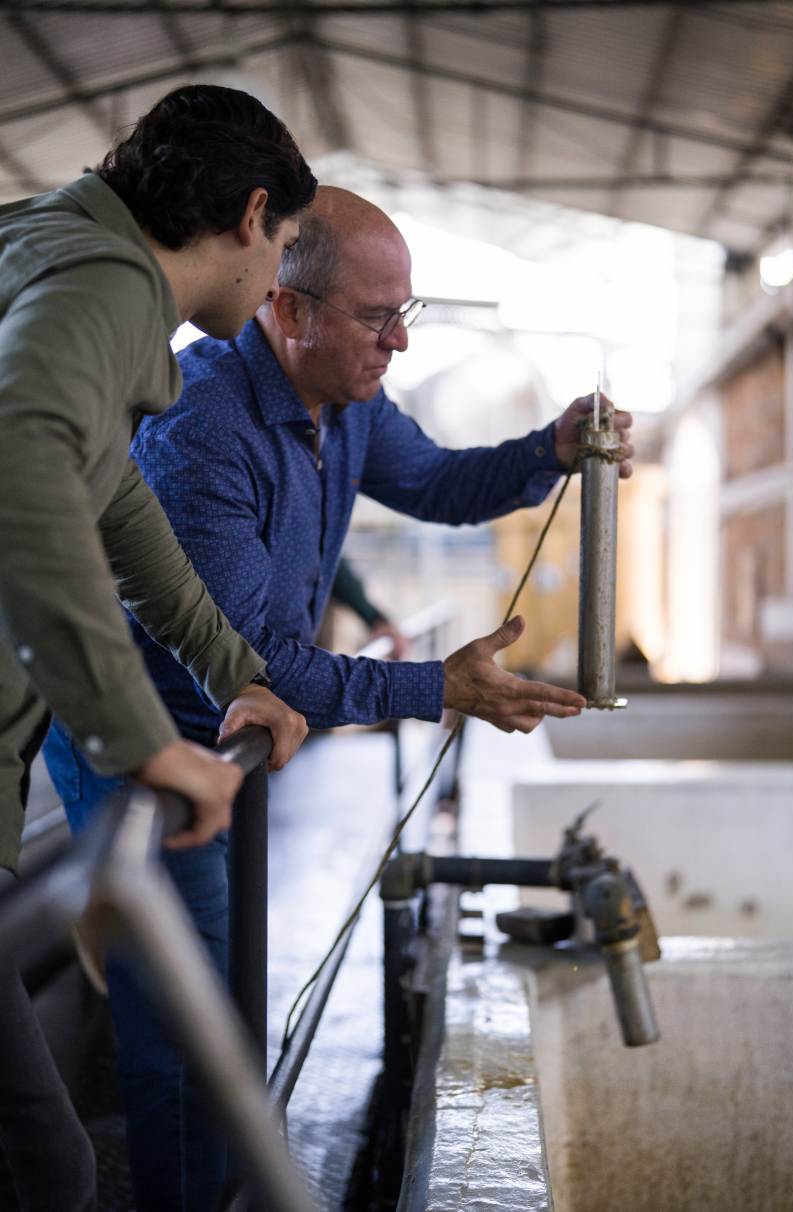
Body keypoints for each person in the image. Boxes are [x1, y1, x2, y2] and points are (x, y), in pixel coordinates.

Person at [44, 187, 633, 1210]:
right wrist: (434, 687)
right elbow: (259, 661)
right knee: (185, 1031)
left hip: (236, 747)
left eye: (409, 315)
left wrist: (546, 447)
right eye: (376, 318)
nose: (397, 343)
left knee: (223, 996)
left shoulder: (346, 401)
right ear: (287, 305)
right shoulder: (199, 424)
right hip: (143, 749)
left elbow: (443, 485)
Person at [0, 83, 315, 1212]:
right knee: (49, 1167)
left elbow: (114, 502)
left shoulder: (45, 240)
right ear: (251, 216)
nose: (278, 279)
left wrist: (236, 673)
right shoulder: (106, 287)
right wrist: (140, 741)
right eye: (281, 249)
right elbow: (25, 466)